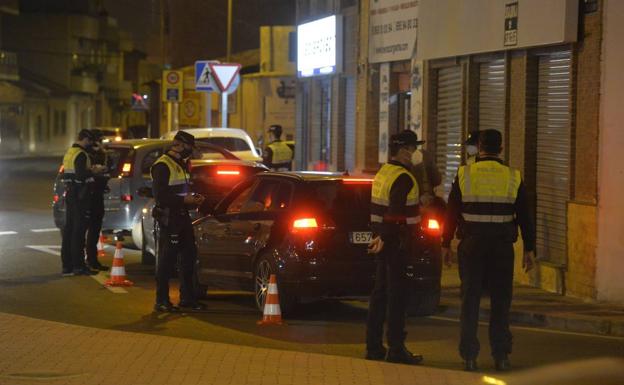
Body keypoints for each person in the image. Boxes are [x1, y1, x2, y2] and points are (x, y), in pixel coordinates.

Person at [441, 129, 536, 372]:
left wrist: (445, 243)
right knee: (501, 302)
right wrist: (530, 248)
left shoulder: (465, 173)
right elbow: (525, 215)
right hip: (502, 248)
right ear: (501, 149)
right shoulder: (513, 176)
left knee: (470, 300)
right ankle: (501, 356)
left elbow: (451, 213)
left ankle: (470, 357)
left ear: (479, 147)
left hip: (472, 246)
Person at [365, 130, 425, 365]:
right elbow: (395, 212)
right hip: (396, 243)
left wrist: (380, 236)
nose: (415, 153)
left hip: (385, 241)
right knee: (397, 297)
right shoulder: (403, 177)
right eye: (413, 148)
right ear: (403, 150)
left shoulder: (384, 172)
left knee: (379, 295)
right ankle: (397, 349)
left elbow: (379, 211)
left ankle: (373, 347)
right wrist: (389, 238)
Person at [151, 131, 206, 312]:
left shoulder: (181, 164)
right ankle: (161, 300)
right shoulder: (162, 165)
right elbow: (161, 196)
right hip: (170, 218)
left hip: (182, 216)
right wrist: (184, 200)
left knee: (189, 258)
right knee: (167, 261)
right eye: (189, 147)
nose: (190, 151)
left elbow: (182, 190)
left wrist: (193, 198)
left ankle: (187, 299)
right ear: (179, 145)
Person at [60, 129, 106, 276]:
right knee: (78, 232)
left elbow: (68, 174)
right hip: (80, 195)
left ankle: (67, 266)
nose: (91, 144)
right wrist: (94, 172)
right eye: (90, 141)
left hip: (71, 194)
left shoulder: (69, 152)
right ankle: (79, 266)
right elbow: (81, 177)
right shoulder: (81, 154)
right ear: (85, 139)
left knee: (69, 230)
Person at [85, 129, 109, 271]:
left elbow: (106, 170)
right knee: (85, 229)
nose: (101, 143)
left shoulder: (102, 153)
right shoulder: (86, 154)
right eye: (100, 140)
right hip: (88, 195)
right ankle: (84, 261)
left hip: (97, 194)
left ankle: (92, 260)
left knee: (94, 229)